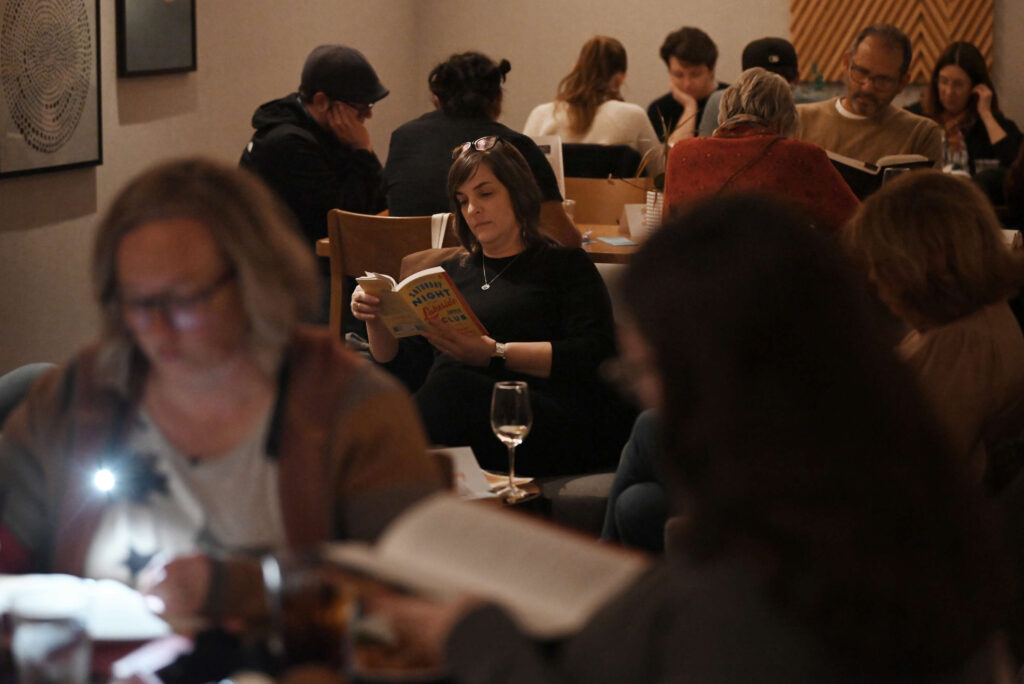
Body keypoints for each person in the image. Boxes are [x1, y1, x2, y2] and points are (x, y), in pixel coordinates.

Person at [365, 194, 1011, 682]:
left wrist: (474, 636)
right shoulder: (902, 519)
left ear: (720, 379)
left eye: (648, 370)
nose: (646, 392)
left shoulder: (766, 591)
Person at [0, 158, 440, 581]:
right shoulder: (79, 397)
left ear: (256, 282)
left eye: (183, 300)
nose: (155, 328)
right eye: (138, 302)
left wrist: (237, 593)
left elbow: (407, 607)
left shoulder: (353, 410)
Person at [356, 138, 625, 476]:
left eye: (485, 194)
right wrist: (377, 320)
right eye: (463, 200)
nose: (473, 210)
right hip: (460, 416)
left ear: (518, 193)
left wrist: (495, 353)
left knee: (450, 384)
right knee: (438, 381)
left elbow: (595, 353)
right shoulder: (450, 275)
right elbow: (408, 370)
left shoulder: (564, 265)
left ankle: (381, 457)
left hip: (545, 414)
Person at [844, 170, 1024, 482]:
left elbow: (910, 474)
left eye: (881, 264)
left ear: (920, 269)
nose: (873, 278)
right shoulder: (980, 313)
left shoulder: (961, 346)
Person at [383, 52, 579, 248]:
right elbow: (563, 239)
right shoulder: (514, 147)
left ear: (438, 100)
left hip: (404, 272)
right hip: (485, 275)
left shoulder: (402, 138)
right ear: (498, 99)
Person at [664, 68, 859, 233]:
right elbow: (856, 223)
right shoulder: (800, 156)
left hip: (696, 274)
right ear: (786, 119)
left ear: (724, 111)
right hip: (776, 274)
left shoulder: (682, 154)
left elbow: (667, 233)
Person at [240, 45, 388, 248]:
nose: (368, 115)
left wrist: (363, 151)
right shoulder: (286, 144)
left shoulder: (330, 132)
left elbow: (381, 200)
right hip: (283, 266)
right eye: (361, 107)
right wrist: (362, 150)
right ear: (321, 101)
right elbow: (346, 220)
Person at [796, 24, 943, 165]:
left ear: (902, 83)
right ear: (846, 64)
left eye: (882, 80)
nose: (867, 88)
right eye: (861, 72)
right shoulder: (799, 119)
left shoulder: (921, 134)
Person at [523, 36, 660, 162]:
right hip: (613, 190)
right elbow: (661, 175)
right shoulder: (634, 116)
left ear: (575, 67)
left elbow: (520, 173)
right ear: (619, 78)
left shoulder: (540, 115)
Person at [698, 36, 799, 138]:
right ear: (797, 78)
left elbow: (704, 145)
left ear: (743, 77)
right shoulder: (814, 105)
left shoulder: (719, 99)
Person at [646, 26, 728, 143]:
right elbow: (671, 158)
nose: (687, 83)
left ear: (712, 70)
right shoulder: (658, 109)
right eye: (678, 75)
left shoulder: (731, 100)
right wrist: (690, 107)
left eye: (695, 75)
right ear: (669, 71)